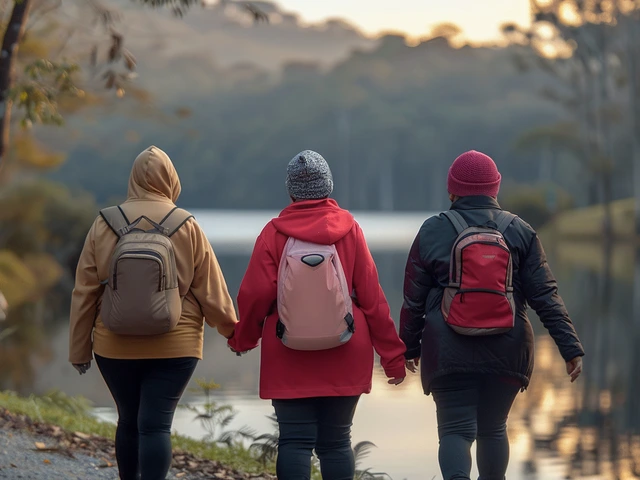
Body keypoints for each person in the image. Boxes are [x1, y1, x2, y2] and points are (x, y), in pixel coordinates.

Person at [400, 150, 585, 480]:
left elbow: (413, 300)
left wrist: (410, 347)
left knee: (456, 430)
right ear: (495, 189)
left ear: (451, 191)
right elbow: (546, 296)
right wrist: (570, 349)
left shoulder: (432, 230)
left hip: (447, 350)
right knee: (494, 429)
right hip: (508, 348)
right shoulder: (521, 231)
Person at [229, 150, 407, 480]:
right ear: (328, 187)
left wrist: (244, 338)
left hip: (288, 349)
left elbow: (254, 295)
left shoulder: (273, 233)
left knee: (294, 442)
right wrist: (393, 356)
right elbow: (373, 299)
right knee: (337, 443)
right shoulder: (350, 229)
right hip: (347, 345)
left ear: (291, 191)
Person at [69, 146, 238, 480]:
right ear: (171, 180)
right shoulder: (187, 225)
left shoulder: (104, 223)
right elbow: (212, 292)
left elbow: (85, 290)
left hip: (113, 342)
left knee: (128, 420)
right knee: (157, 425)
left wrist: (79, 348)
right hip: (175, 344)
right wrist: (232, 332)